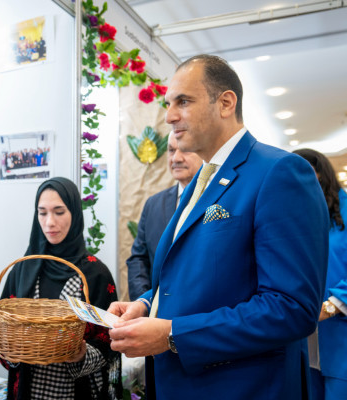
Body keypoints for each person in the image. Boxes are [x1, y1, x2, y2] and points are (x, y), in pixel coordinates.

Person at [107, 55, 329, 399]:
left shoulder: (279, 172)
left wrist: (172, 334)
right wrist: (148, 304)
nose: (169, 116)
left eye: (183, 101)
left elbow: (291, 308)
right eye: (168, 104)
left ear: (226, 103)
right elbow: (204, 276)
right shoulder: (204, 179)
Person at [0, 177, 122, 400]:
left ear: (74, 213)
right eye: (42, 213)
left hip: (76, 392)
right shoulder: (23, 268)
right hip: (27, 390)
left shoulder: (95, 274)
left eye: (59, 212)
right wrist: (12, 350)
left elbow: (111, 339)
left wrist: (82, 355)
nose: (49, 223)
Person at [293, 148, 347, 400]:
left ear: (321, 175)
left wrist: (333, 305)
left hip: (338, 330)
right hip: (299, 334)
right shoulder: (290, 216)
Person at [127, 133, 202, 301]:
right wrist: (145, 302)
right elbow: (138, 259)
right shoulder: (153, 204)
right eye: (171, 150)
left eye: (184, 150)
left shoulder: (218, 202)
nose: (176, 158)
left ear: (204, 153)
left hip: (201, 310)